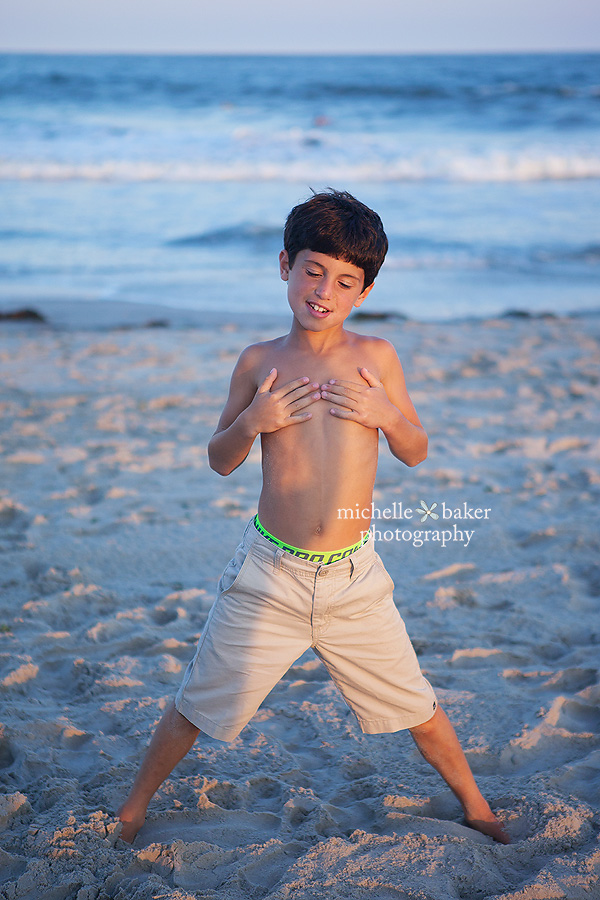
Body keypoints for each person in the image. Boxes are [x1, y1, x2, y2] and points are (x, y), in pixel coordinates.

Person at [118, 189, 510, 845]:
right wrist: (253, 421)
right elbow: (219, 459)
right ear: (284, 266)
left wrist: (386, 416)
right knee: (195, 703)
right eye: (312, 269)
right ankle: (132, 811)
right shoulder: (259, 361)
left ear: (365, 290)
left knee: (418, 704)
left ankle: (478, 807)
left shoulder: (376, 358)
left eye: (344, 280)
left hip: (354, 577)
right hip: (270, 575)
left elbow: (415, 450)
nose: (324, 289)